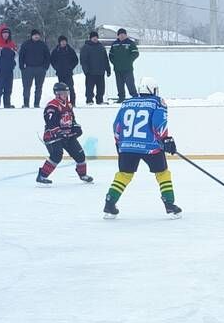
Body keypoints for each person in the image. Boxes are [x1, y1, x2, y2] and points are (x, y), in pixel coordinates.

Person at [104, 77, 180, 217]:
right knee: (162, 173)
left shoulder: (127, 103)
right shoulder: (157, 102)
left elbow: (116, 125)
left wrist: (119, 143)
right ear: (153, 90)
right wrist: (165, 139)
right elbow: (158, 123)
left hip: (127, 146)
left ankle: (110, 203)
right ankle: (169, 205)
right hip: (150, 147)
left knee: (124, 175)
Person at [36, 81, 93, 185]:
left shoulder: (69, 105)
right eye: (63, 93)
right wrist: (58, 132)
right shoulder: (52, 106)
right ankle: (42, 176)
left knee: (80, 155)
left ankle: (83, 175)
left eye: (67, 92)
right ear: (57, 94)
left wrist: (76, 128)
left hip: (67, 135)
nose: (66, 95)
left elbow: (72, 119)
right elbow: (50, 123)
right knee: (57, 155)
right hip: (53, 136)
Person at [20, 29, 52, 107]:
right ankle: (26, 104)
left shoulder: (43, 45)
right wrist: (22, 67)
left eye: (38, 35)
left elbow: (47, 57)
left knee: (39, 87)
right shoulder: (26, 44)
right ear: (32, 36)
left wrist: (45, 67)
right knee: (26, 87)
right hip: (28, 69)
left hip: (40, 69)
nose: (36, 36)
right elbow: (21, 56)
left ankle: (36, 104)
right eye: (35, 35)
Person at [79, 30, 111, 104]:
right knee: (89, 87)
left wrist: (108, 69)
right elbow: (83, 60)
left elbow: (105, 59)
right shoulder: (86, 47)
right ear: (90, 38)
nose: (95, 39)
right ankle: (89, 100)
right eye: (93, 37)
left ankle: (100, 100)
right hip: (90, 72)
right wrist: (86, 71)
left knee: (101, 88)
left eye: (96, 37)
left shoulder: (101, 47)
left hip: (100, 71)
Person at [109, 28, 140, 101]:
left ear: (126, 35)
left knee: (130, 84)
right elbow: (111, 55)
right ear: (118, 36)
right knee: (119, 84)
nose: (122, 36)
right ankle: (121, 98)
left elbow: (136, 53)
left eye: (123, 34)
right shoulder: (114, 44)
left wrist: (129, 60)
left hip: (128, 68)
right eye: (120, 35)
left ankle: (134, 96)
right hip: (117, 69)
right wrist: (115, 63)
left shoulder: (130, 43)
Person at [49, 35, 79, 105]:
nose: (63, 43)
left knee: (70, 88)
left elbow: (75, 60)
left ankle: (72, 103)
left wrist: (70, 67)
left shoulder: (70, 50)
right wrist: (57, 68)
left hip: (68, 73)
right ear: (59, 42)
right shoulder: (56, 51)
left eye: (64, 41)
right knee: (61, 89)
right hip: (60, 73)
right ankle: (63, 103)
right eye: (62, 41)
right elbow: (52, 60)